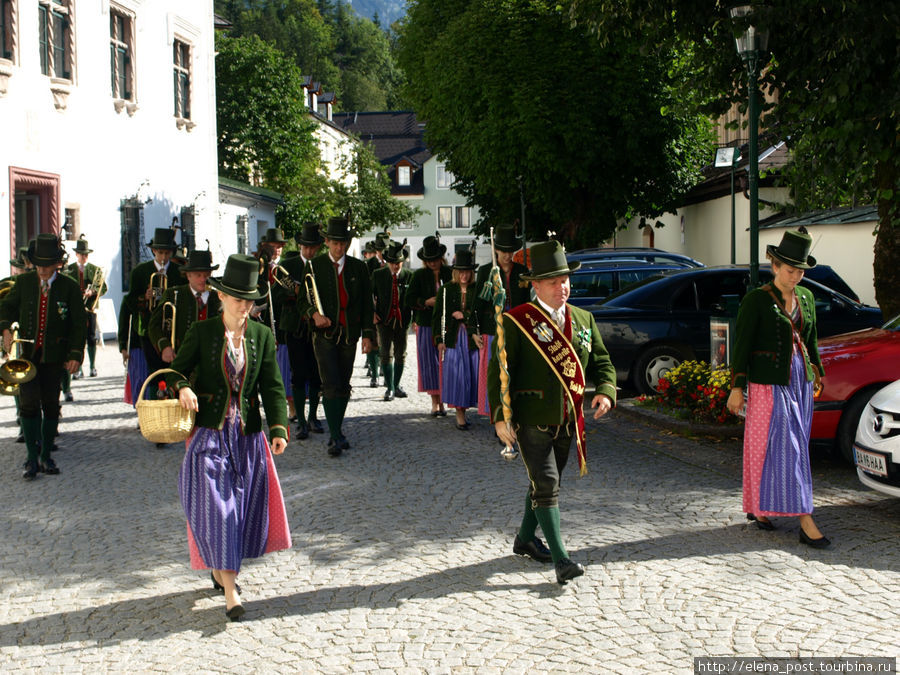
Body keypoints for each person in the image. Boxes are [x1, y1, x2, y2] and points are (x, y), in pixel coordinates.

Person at [168, 254, 291, 621]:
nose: (245, 306)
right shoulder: (203, 332)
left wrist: (278, 429)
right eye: (238, 299)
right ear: (221, 296)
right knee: (219, 511)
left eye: (250, 300)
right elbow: (175, 370)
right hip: (207, 435)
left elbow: (272, 386)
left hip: (247, 438)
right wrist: (182, 387)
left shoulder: (261, 335)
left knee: (238, 514)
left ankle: (222, 572)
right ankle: (231, 593)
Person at [488, 240, 616, 585]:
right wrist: (500, 416)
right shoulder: (517, 321)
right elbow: (499, 370)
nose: (564, 287)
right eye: (556, 281)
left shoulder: (584, 319)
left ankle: (526, 539)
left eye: (566, 280)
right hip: (531, 419)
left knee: (546, 483)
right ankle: (562, 560)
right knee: (546, 485)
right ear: (536, 285)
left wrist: (605, 391)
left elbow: (602, 361)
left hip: (567, 420)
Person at [726, 227, 830, 548]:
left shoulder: (807, 298)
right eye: (789, 270)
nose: (795, 276)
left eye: (800, 271)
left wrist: (818, 371)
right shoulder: (757, 300)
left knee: (787, 445)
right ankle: (805, 518)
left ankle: (761, 508)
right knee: (783, 448)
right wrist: (736, 387)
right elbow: (741, 345)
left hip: (800, 381)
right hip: (768, 383)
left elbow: (810, 339)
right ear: (774, 266)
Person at [1, 234, 86, 480]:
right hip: (27, 355)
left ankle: (46, 454)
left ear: (57, 264)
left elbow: (78, 324)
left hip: (55, 356)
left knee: (50, 404)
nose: (42, 270)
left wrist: (74, 354)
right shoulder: (25, 282)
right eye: (38, 265)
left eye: (47, 265)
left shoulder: (69, 286)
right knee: (28, 405)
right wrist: (6, 328)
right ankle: (30, 457)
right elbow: (5, 306)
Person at [300, 215, 375, 456]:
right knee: (330, 384)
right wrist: (314, 315)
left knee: (343, 384)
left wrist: (367, 335)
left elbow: (366, 305)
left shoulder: (358, 268)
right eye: (334, 242)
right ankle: (334, 436)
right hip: (324, 335)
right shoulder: (314, 266)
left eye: (342, 243)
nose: (339, 247)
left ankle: (338, 429)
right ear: (327, 242)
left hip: (349, 334)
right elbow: (303, 300)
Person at [472, 227, 530, 418]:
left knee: (516, 372)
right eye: (503, 250)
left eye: (510, 251)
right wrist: (474, 330)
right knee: (495, 375)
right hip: (491, 330)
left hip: (517, 329)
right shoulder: (486, 271)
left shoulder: (522, 271)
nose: (506, 255)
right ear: (496, 250)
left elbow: (528, 303)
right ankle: (496, 416)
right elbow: (477, 304)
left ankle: (514, 414)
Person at [280, 224, 325, 439]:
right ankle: (300, 421)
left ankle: (314, 417)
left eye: (313, 247)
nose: (309, 251)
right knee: (298, 374)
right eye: (305, 247)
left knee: (317, 374)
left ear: (318, 247)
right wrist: (294, 291)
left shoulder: (322, 265)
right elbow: (276, 295)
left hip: (316, 327)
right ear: (299, 245)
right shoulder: (287, 264)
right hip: (295, 327)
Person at [123, 227, 183, 382]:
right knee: (154, 371)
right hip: (148, 328)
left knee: (173, 367)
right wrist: (145, 297)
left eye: (167, 253)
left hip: (173, 328)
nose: (163, 257)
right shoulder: (140, 272)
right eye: (160, 252)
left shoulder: (179, 272)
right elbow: (129, 301)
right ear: (154, 251)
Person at [405, 235, 452, 417]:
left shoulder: (450, 272)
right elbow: (409, 299)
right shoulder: (419, 275)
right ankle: (435, 402)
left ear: (441, 258)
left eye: (435, 260)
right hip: (426, 324)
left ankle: (446, 399)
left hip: (448, 324)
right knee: (429, 363)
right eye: (429, 260)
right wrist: (425, 302)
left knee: (448, 362)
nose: (433, 263)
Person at [433, 247, 479, 430]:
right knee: (457, 375)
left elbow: (480, 314)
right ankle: (460, 414)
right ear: (455, 272)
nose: (464, 275)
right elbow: (437, 317)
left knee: (472, 374)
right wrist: (439, 340)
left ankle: (470, 409)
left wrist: (465, 316)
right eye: (461, 271)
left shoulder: (478, 289)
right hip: (453, 339)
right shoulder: (446, 290)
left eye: (467, 271)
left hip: (471, 339)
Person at [148, 249, 221, 363]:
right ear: (188, 276)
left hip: (211, 361)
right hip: (181, 359)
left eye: (207, 275)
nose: (203, 279)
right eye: (198, 275)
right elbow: (154, 325)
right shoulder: (173, 294)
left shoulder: (218, 297)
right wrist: (165, 347)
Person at [372, 239, 412, 401]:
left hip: (402, 321)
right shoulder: (378, 275)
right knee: (385, 353)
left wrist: (414, 319)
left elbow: (413, 298)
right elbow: (369, 295)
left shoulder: (409, 276)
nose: (396, 266)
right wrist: (372, 313)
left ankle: (396, 385)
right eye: (393, 263)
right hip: (384, 320)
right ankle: (389, 388)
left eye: (399, 263)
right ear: (388, 262)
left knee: (400, 353)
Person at [63, 235, 107, 382]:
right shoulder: (69, 269)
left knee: (91, 337)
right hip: (75, 309)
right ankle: (78, 369)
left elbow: (104, 287)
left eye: (86, 254)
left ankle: (93, 366)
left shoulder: (95, 270)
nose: (84, 257)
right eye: (82, 254)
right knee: (77, 338)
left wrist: (93, 292)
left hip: (90, 309)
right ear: (76, 254)